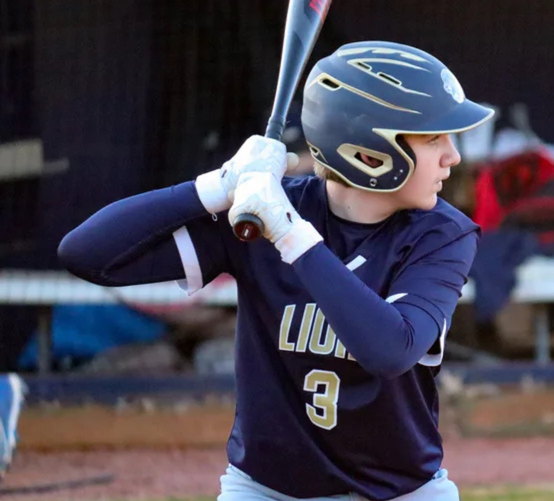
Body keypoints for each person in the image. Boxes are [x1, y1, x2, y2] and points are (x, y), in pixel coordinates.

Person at [58, 41, 494, 501]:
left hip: (401, 491)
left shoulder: (442, 234)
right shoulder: (263, 209)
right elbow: (87, 254)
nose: (453, 156)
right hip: (267, 489)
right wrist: (215, 186)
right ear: (371, 154)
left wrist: (289, 234)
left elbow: (391, 349)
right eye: (433, 139)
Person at [0, 373, 27, 483]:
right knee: (9, 428)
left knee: (8, 428)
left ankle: (4, 462)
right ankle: (5, 460)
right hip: (12, 382)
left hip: (10, 381)